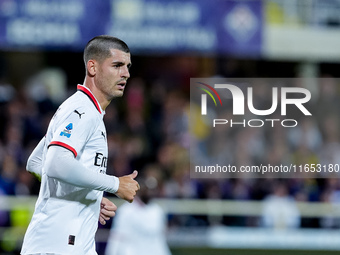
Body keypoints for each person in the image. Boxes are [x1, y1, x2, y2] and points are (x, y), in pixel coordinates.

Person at [21, 35, 140, 255]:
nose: (126, 73)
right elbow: (56, 164)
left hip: (69, 245)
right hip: (57, 246)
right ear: (92, 67)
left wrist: (88, 193)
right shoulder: (83, 111)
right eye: (117, 65)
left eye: (127, 66)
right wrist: (114, 184)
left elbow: (36, 162)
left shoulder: (82, 109)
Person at [105, 171, 172, 255]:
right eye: (147, 189)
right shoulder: (126, 211)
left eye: (153, 189)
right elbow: (116, 237)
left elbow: (160, 239)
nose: (150, 192)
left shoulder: (157, 211)